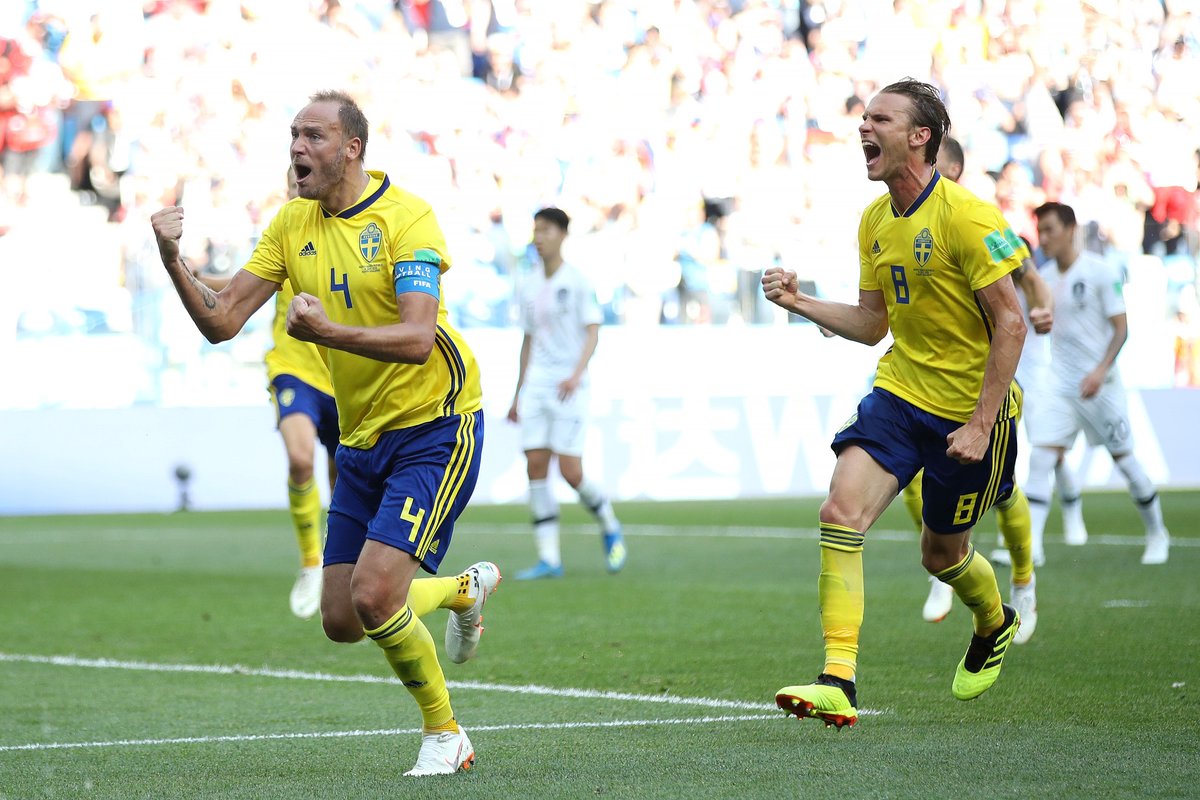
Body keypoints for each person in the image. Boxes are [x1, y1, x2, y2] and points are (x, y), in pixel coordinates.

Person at [151, 90, 501, 776]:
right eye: (293, 135)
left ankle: (445, 734)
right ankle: (460, 590)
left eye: (313, 136)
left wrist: (327, 332)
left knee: (374, 596)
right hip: (364, 435)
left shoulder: (407, 217)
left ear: (352, 148)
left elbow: (418, 339)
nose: (297, 147)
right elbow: (222, 321)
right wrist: (172, 261)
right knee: (342, 619)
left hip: (436, 425)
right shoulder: (292, 224)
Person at [762, 79, 1026, 728]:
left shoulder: (969, 217)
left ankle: (994, 620)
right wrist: (799, 302)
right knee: (839, 512)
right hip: (900, 395)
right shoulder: (874, 221)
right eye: (863, 117)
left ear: (920, 136)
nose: (864, 127)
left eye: (880, 118)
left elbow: (1012, 322)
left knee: (941, 556)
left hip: (970, 414)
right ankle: (838, 680)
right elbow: (872, 323)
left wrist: (981, 423)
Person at [913, 137, 1064, 645]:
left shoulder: (980, 220)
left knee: (1001, 489)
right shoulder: (900, 220)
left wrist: (1042, 308)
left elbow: (1031, 278)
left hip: (983, 380)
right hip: (923, 380)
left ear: (951, 168)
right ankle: (942, 566)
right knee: (911, 479)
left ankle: (1023, 581)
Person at [195, 167, 337, 620]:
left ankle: (337, 561)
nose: (299, 186)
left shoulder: (345, 231)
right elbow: (242, 285)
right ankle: (311, 562)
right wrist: (193, 276)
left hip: (342, 372)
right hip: (292, 369)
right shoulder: (284, 232)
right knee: (300, 459)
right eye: (293, 181)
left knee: (344, 479)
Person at [1027, 202, 1171, 565]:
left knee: (1126, 461)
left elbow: (1121, 329)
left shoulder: (1101, 272)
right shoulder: (1044, 277)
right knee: (1041, 457)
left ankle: (1157, 533)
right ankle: (1031, 548)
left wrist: (1100, 369)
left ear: (1071, 230)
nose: (1044, 238)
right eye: (1040, 231)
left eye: (1049, 230)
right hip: (1060, 385)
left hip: (1100, 385)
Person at [507, 207, 626, 580]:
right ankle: (549, 559)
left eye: (546, 230)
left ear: (562, 234)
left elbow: (593, 330)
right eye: (536, 230)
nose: (538, 237)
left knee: (571, 471)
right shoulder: (527, 283)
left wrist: (576, 374)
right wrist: (517, 394)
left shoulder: (577, 281)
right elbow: (528, 340)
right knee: (535, 466)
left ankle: (609, 524)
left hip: (569, 388)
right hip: (538, 387)